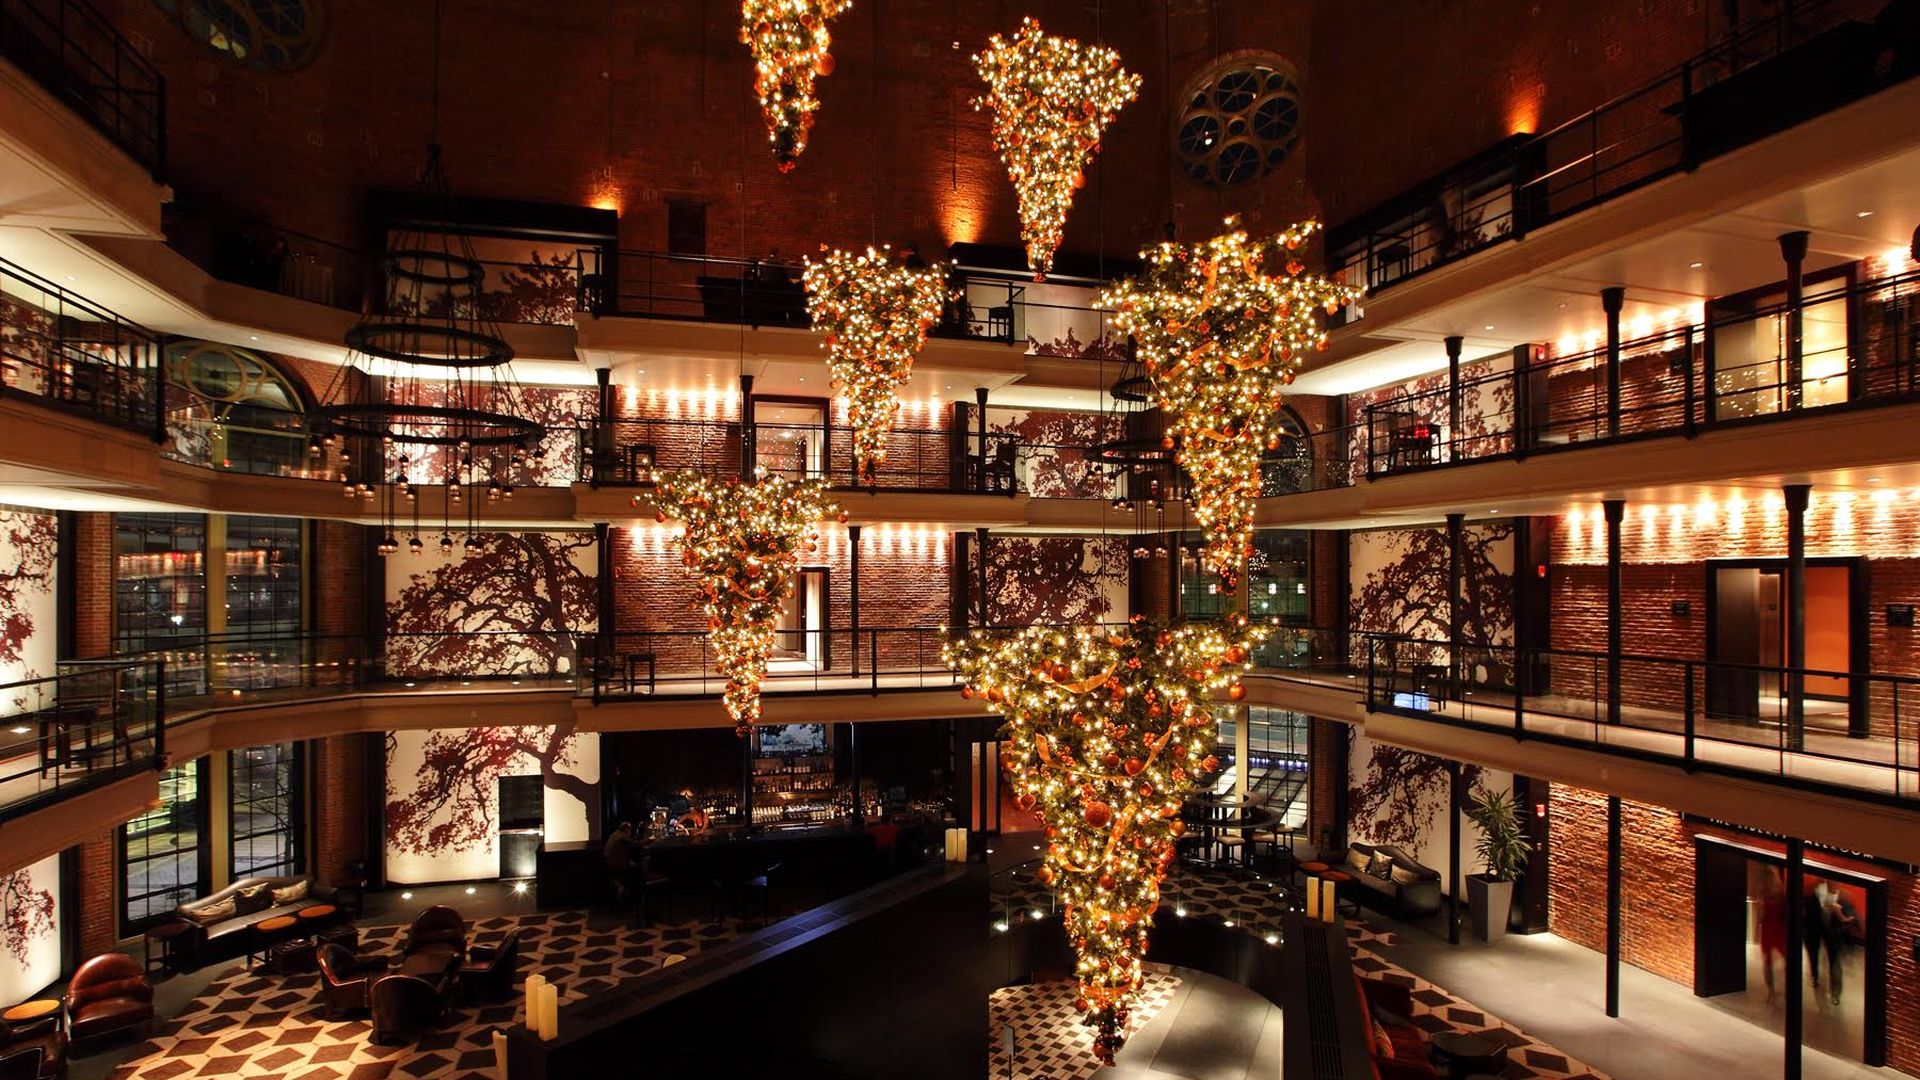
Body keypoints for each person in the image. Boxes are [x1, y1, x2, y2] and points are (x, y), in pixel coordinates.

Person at [1822, 885, 1859, 1006]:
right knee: (1829, 963)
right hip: (1825, 936)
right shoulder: (1821, 894)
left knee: (1835, 965)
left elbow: (1852, 918)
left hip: (1837, 938)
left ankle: (1835, 993)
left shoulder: (1844, 898)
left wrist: (1841, 916)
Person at [1757, 868, 1788, 1005]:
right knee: (1770, 961)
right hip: (1773, 929)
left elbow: (1762, 915)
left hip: (1774, 929)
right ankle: (1772, 990)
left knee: (1771, 961)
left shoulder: (1770, 894)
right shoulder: (1775, 894)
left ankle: (1774, 991)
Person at [602, 821, 638, 900]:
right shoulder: (622, 837)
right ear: (626, 829)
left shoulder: (616, 833)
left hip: (608, 861)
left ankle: (620, 885)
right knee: (635, 868)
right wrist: (650, 839)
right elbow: (636, 844)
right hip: (615, 863)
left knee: (632, 865)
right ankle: (626, 890)